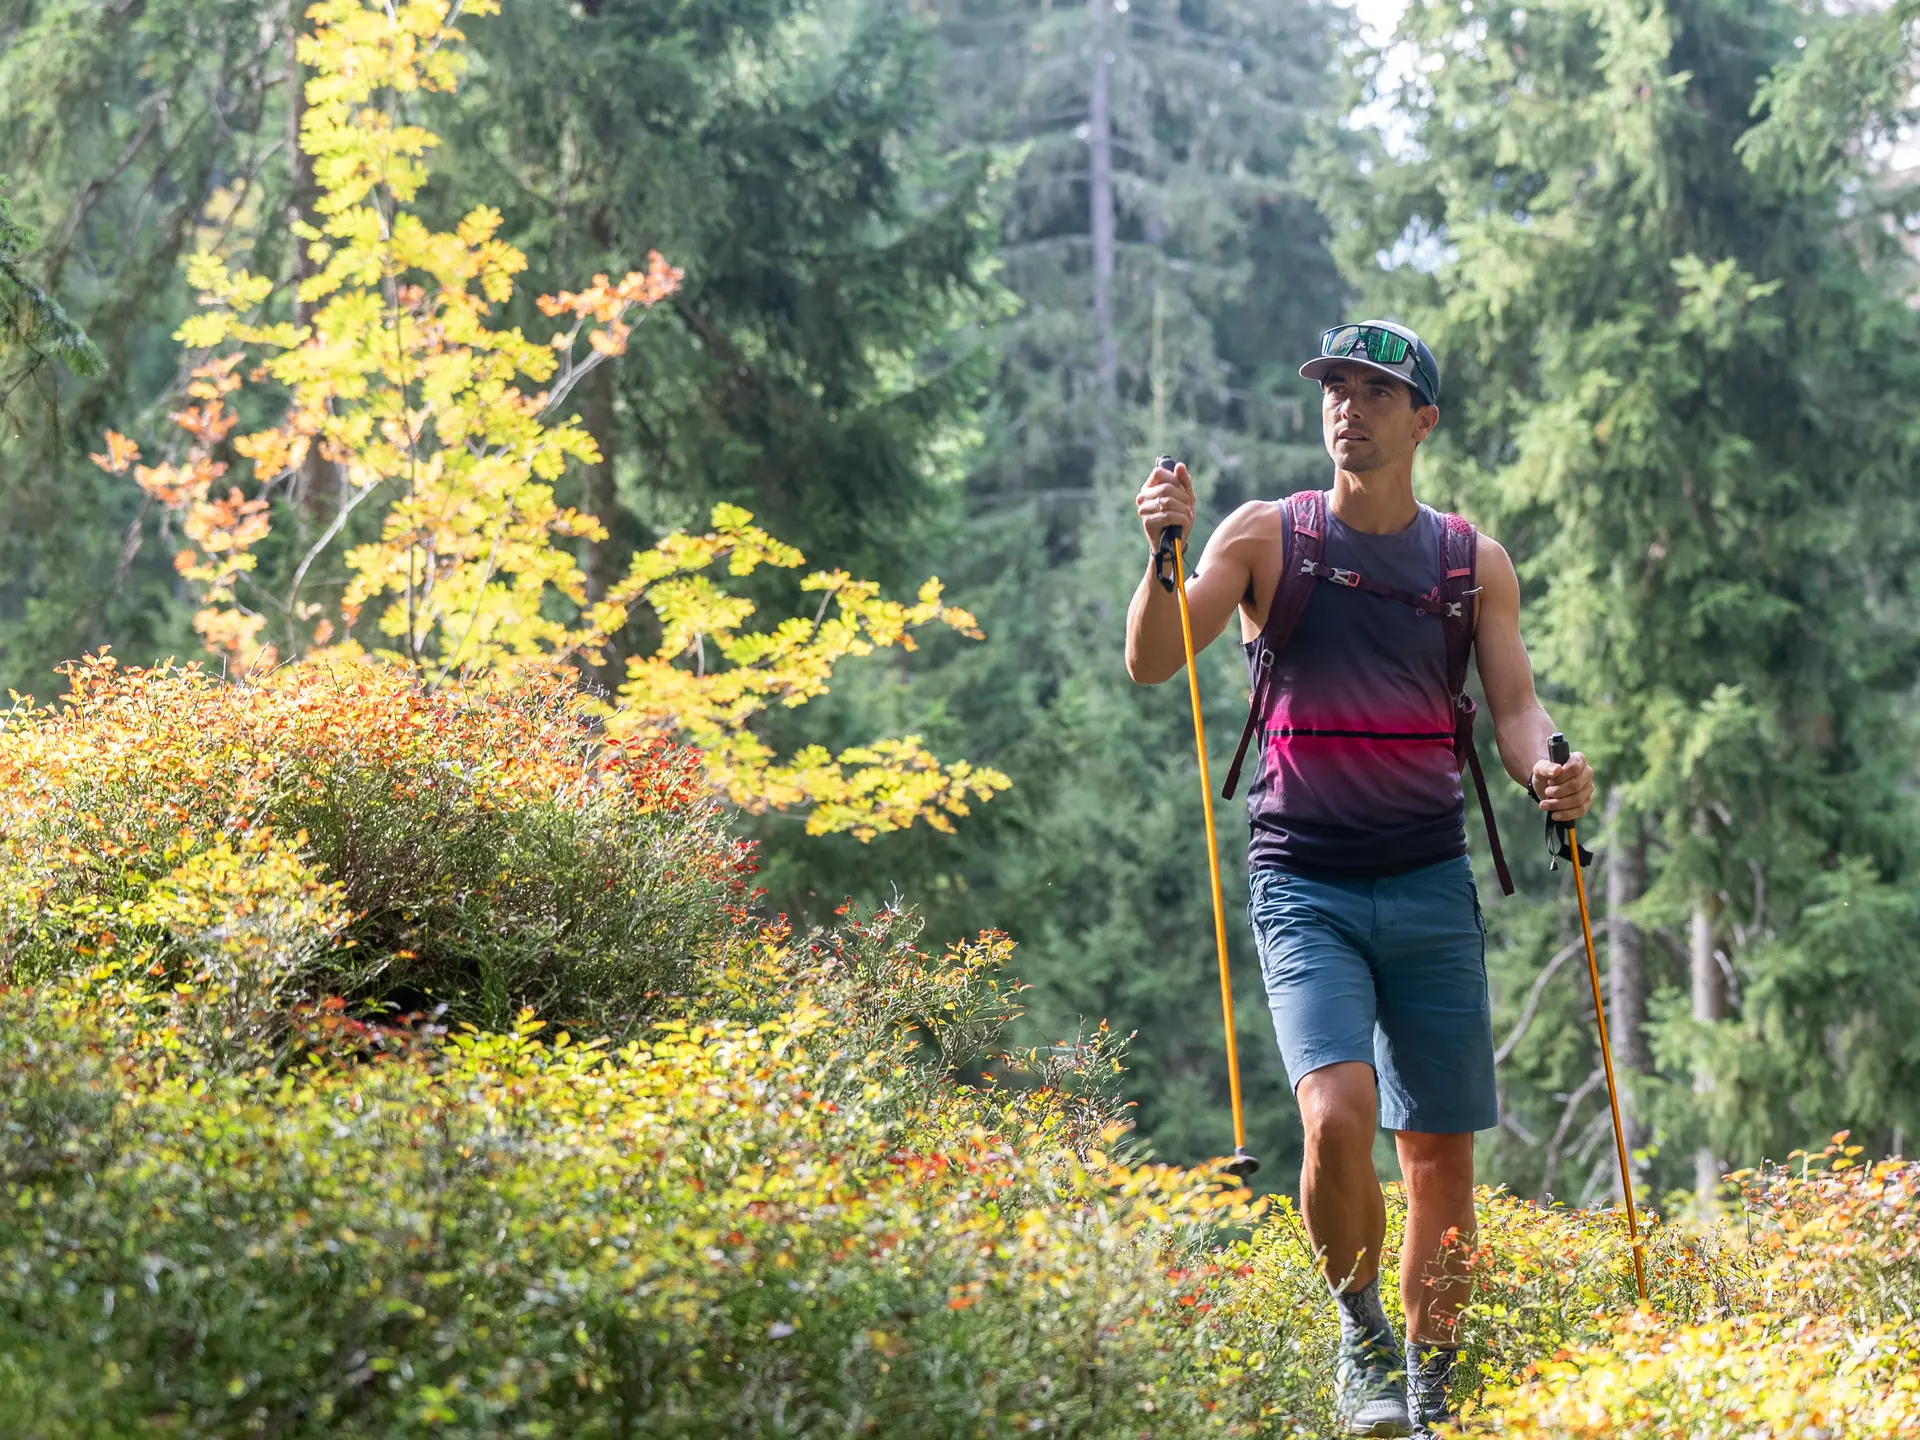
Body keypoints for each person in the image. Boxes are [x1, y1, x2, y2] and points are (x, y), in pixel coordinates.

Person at [1123, 320, 1594, 1437]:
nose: (1349, 406)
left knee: (1439, 1159)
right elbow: (1149, 661)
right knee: (1338, 1116)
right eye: (1336, 387)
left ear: (1421, 420)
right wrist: (1160, 552)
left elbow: (1518, 709)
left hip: (1431, 879)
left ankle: (1430, 1389)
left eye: (1377, 391)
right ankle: (1361, 1333)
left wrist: (1549, 774)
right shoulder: (1263, 538)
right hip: (1306, 882)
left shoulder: (1467, 563)